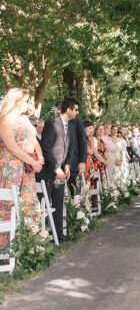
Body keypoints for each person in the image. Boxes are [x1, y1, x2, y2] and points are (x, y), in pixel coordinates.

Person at [0, 89, 43, 249]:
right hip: (11, 168)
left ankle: (30, 246)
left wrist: (39, 158)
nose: (28, 104)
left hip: (27, 168)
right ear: (17, 101)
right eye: (26, 101)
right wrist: (34, 162)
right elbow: (12, 147)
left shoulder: (23, 119)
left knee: (28, 203)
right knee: (9, 205)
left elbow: (34, 140)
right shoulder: (4, 119)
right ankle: (6, 250)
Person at [37, 97, 80, 242]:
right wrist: (56, 168)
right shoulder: (51, 124)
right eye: (76, 110)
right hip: (47, 172)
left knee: (58, 202)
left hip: (62, 171)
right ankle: (38, 239)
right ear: (68, 110)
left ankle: (59, 235)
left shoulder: (70, 125)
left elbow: (68, 147)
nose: (77, 113)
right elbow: (46, 147)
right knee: (42, 205)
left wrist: (66, 165)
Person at [66, 115, 87, 191]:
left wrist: (82, 161)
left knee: (75, 191)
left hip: (75, 162)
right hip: (60, 164)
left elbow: (82, 141)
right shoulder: (54, 122)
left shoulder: (76, 120)